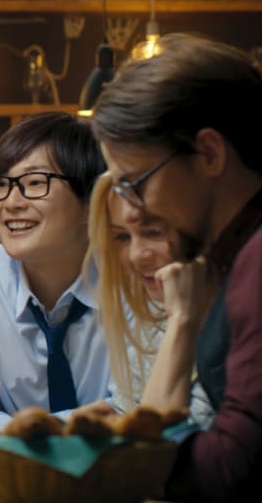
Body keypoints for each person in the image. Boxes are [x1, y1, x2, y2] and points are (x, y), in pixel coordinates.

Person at [91, 32, 262, 501]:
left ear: (209, 154)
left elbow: (235, 466)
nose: (134, 209)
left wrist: (128, 454)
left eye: (134, 183)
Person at [0, 111, 108, 438]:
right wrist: (48, 431)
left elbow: (139, 411)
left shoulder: (133, 280)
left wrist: (6, 429)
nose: (11, 202)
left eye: (34, 183)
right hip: (3, 481)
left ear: (91, 201)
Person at [84, 174, 213, 428]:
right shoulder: (154, 309)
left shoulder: (242, 313)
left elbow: (157, 444)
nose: (136, 256)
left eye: (153, 232)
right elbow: (130, 411)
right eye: (122, 237)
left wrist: (182, 319)